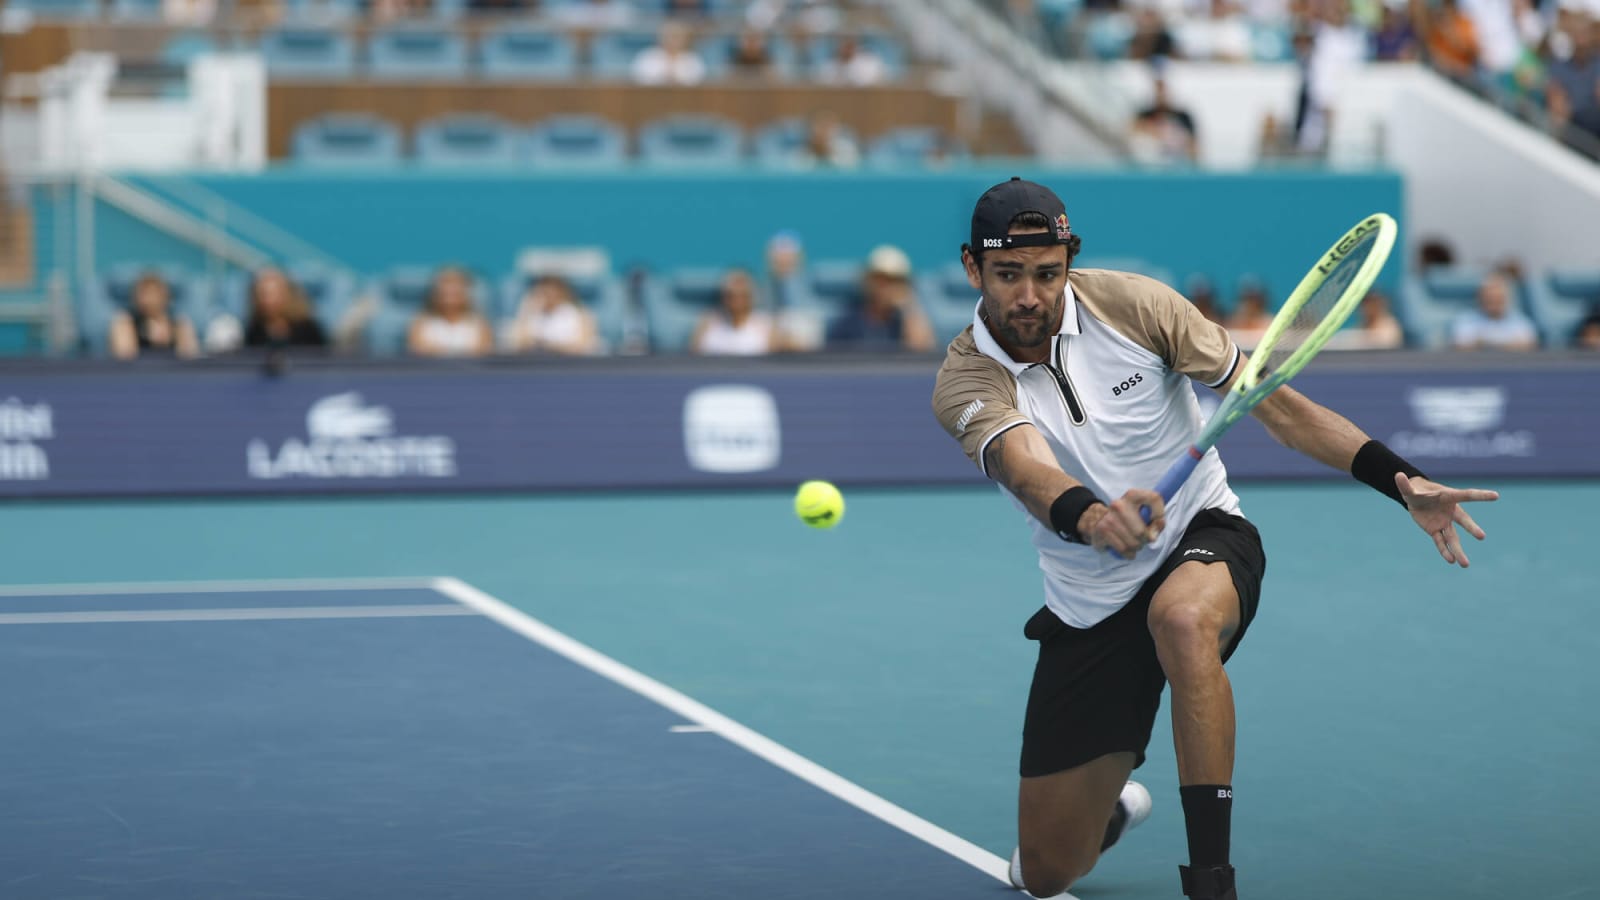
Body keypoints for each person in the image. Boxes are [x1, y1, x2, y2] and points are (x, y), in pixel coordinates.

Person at [931, 178, 1498, 900]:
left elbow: (1282, 410)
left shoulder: (1138, 308)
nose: (1030, 295)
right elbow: (1026, 467)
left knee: (1183, 620)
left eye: (1048, 272)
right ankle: (1109, 812)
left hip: (1203, 534)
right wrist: (1095, 517)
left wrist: (1402, 480)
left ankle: (1211, 882)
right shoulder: (964, 377)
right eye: (1009, 275)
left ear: (1069, 261)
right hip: (1090, 600)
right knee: (1044, 874)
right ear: (973, 269)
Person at [825, 245, 935, 352]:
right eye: (880, 279)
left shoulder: (903, 322)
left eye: (895, 281)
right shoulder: (847, 323)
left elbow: (922, 351)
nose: (886, 287)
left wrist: (909, 308)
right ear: (867, 280)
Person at [109, 272, 200, 360]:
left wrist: (170, 337)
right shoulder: (124, 322)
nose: (149, 299)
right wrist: (146, 336)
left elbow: (191, 357)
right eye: (144, 293)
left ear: (165, 296)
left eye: (154, 293)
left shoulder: (179, 323)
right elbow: (124, 356)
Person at [503, 274, 601, 356]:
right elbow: (519, 345)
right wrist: (526, 311)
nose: (548, 295)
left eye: (552, 290)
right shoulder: (532, 313)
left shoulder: (578, 313)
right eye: (543, 291)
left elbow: (582, 346)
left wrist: (550, 346)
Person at [407, 266, 494, 358]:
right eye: (445, 286)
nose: (450, 292)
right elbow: (417, 350)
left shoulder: (480, 324)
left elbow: (485, 352)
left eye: (456, 287)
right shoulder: (420, 323)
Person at [690, 268, 779, 356]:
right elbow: (694, 358)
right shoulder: (707, 324)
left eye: (743, 293)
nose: (737, 290)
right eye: (731, 294)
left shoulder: (767, 326)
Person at [1450, 270, 1538, 351]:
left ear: (1505, 299)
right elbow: (1461, 345)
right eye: (1489, 298)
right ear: (1480, 299)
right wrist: (1506, 344)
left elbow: (1529, 345)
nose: (1493, 303)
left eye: (1498, 299)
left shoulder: (1520, 321)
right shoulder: (1466, 320)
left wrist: (1485, 343)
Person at [244, 267, 329, 350]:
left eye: (274, 294)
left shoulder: (308, 330)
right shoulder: (252, 331)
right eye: (263, 294)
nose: (268, 300)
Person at [1129, 75, 1198, 164]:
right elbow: (1131, 131)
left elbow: (1194, 144)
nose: (1161, 96)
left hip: (1178, 162)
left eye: (1163, 92)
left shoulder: (1183, 116)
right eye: (1158, 92)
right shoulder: (1144, 115)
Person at [632, 21, 707, 86]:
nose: (672, 40)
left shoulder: (693, 59)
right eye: (669, 36)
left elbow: (698, 82)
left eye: (677, 36)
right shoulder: (647, 56)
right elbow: (638, 80)